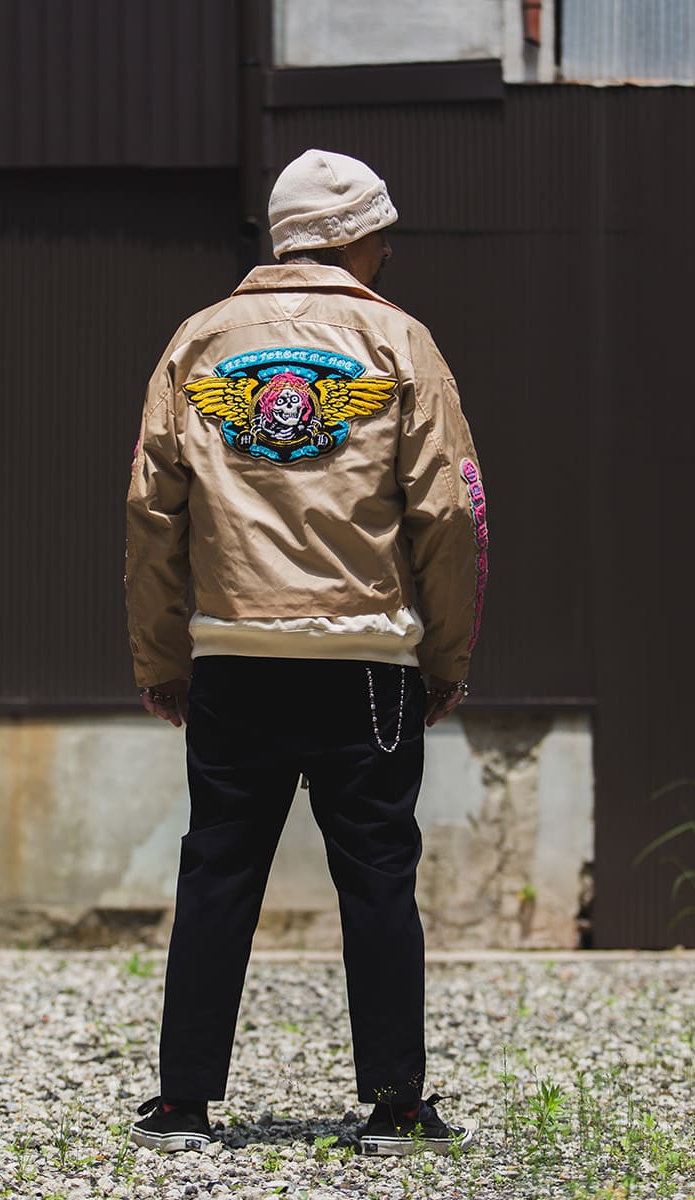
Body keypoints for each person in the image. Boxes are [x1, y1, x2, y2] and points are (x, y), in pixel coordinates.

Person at [125, 149, 488, 1157]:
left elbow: (152, 513)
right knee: (376, 877)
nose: (389, 251)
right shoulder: (399, 340)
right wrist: (445, 656)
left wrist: (162, 658)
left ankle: (184, 1105)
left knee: (217, 872)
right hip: (365, 661)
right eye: (382, 233)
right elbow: (449, 512)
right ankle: (395, 1106)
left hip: (233, 655)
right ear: (354, 238)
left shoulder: (200, 341)